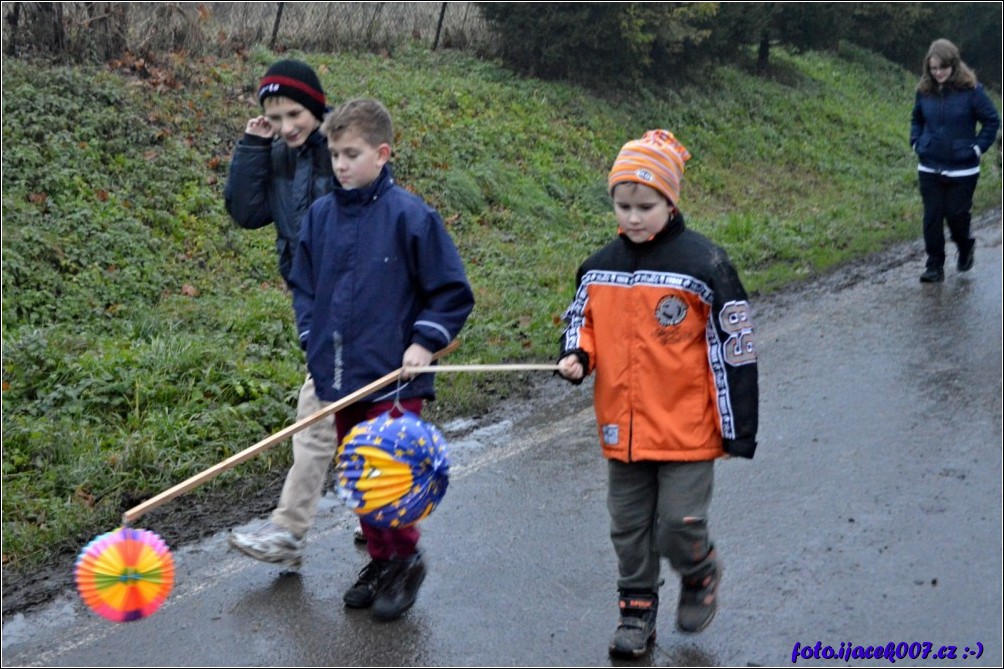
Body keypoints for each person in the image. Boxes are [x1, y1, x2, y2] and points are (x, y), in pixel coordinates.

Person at [556, 130, 758, 658]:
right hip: (621, 429)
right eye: (623, 206)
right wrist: (578, 352)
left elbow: (733, 347)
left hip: (687, 429)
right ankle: (636, 612)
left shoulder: (704, 266)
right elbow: (583, 319)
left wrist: (737, 429)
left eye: (646, 206)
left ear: (671, 201)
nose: (633, 217)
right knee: (627, 527)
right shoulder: (598, 266)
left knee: (678, 524)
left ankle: (699, 570)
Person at [288, 97, 475, 621]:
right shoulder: (320, 217)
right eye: (335, 154)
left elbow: (450, 291)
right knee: (355, 474)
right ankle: (380, 558)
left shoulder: (412, 218)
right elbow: (304, 285)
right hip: (339, 375)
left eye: (352, 154)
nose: (341, 165)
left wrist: (424, 342)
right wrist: (311, 333)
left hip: (395, 378)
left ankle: (406, 558)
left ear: (382, 153)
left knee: (385, 472)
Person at [224, 58, 365, 568]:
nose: (285, 127)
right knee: (342, 417)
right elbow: (246, 212)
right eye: (275, 116)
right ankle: (383, 515)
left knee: (321, 416)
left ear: (316, 107)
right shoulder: (278, 154)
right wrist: (252, 146)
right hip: (312, 301)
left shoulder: (344, 153)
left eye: (293, 115)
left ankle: (290, 531)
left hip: (359, 302)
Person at [909, 38, 1000, 283]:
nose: (938, 73)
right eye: (933, 68)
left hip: (963, 169)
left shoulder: (972, 92)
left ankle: (965, 245)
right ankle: (934, 266)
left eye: (943, 67)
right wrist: (917, 142)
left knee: (956, 216)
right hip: (929, 165)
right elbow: (916, 119)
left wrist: (978, 149)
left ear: (954, 65)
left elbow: (992, 120)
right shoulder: (924, 91)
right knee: (932, 217)